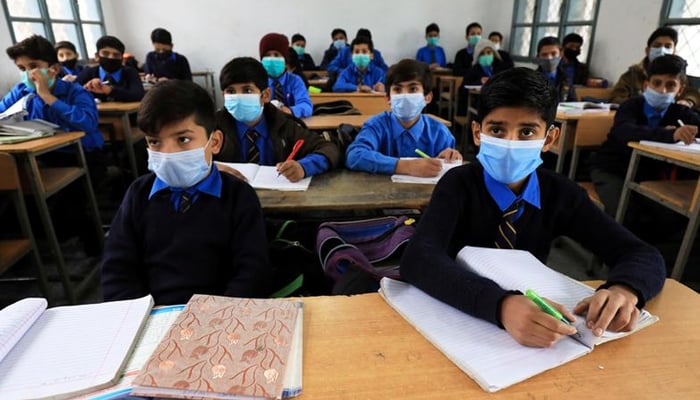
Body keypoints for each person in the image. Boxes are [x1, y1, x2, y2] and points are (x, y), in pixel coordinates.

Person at [400, 67, 666, 348]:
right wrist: (501, 305)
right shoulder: (457, 184)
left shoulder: (560, 194)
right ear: (477, 133)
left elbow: (641, 253)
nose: (510, 143)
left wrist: (624, 288)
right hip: (454, 312)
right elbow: (419, 258)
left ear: (549, 139)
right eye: (497, 130)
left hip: (530, 328)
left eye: (527, 131)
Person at [101, 80, 272, 305]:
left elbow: (252, 272)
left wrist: (216, 318)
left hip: (220, 318)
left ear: (215, 142)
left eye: (183, 139)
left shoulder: (238, 196)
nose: (168, 153)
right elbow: (117, 272)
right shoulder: (138, 195)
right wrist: (139, 317)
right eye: (155, 142)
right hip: (152, 319)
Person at [591, 54, 699, 220]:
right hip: (613, 169)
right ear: (646, 84)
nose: (662, 90)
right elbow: (624, 131)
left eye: (670, 85)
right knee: (626, 212)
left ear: (680, 90)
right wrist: (670, 134)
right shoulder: (630, 106)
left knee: (669, 215)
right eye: (657, 83)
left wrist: (691, 131)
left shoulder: (681, 112)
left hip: (649, 175)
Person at [214, 57, 340, 182]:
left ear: (265, 95)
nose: (238, 97)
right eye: (230, 91)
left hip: (279, 197)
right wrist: (212, 168)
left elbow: (329, 149)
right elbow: (195, 158)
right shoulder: (213, 126)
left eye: (247, 90)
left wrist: (303, 167)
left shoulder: (283, 124)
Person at [345, 59, 461, 176]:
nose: (405, 96)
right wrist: (403, 165)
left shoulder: (440, 134)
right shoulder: (376, 125)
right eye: (397, 89)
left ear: (427, 97)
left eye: (413, 89)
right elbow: (354, 156)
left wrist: (451, 160)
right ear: (388, 98)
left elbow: (450, 175)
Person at [2, 35, 103, 164]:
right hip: (40, 154)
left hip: (80, 154)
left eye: (33, 66)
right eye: (22, 69)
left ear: (54, 69)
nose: (28, 73)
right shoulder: (21, 91)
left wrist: (47, 96)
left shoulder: (76, 92)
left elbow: (88, 124)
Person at [610, 26, 700, 108]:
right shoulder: (633, 74)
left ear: (674, 51)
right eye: (657, 46)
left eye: (667, 46)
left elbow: (692, 94)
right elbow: (616, 98)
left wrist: (688, 102)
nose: (662, 50)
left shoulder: (678, 74)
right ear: (648, 50)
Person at [259, 33, 312, 118]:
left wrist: (289, 110)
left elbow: (306, 105)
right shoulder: (257, 81)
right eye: (267, 55)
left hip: (290, 124)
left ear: (285, 60)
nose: (272, 59)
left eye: (276, 55)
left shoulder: (295, 81)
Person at [77, 35, 145, 102]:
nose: (111, 57)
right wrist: (85, 89)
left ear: (122, 58)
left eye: (116, 55)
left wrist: (110, 90)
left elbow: (139, 95)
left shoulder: (130, 72)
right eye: (105, 53)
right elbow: (71, 94)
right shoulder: (88, 73)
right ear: (97, 56)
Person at [536, 36, 575, 102]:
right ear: (538, 57)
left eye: (553, 54)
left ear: (561, 54)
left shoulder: (566, 78)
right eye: (544, 54)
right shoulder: (532, 79)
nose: (549, 58)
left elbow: (573, 102)